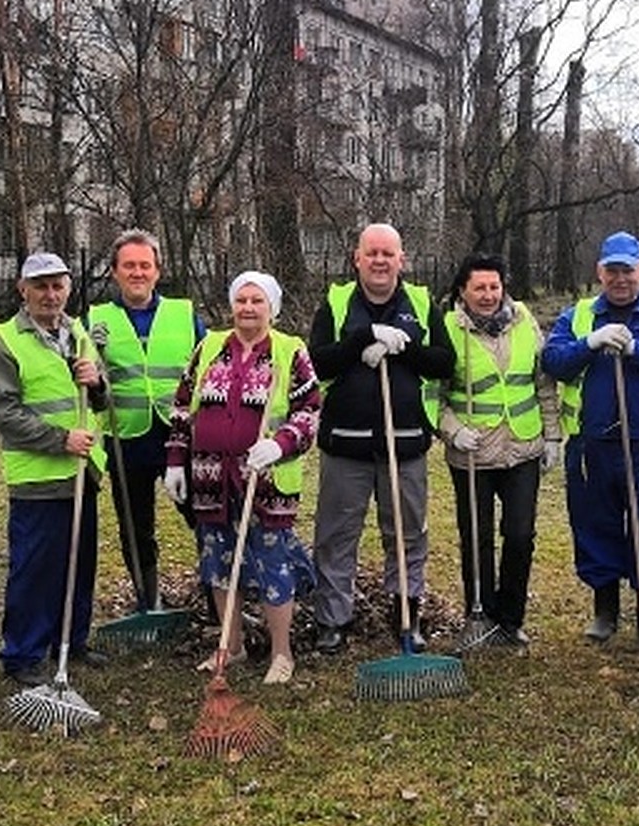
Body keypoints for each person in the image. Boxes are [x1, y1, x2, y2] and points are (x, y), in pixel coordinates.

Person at [164, 270, 319, 684]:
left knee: (272, 563)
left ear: (272, 307)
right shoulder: (210, 347)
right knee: (217, 562)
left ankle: (281, 653)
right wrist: (176, 460)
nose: (248, 308)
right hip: (212, 476)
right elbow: (183, 407)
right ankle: (229, 646)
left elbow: (309, 412)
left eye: (257, 301)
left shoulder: (290, 351)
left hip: (266, 479)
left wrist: (281, 444)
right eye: (241, 300)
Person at [542, 231, 639, 644]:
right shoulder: (576, 317)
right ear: (600, 272)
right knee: (595, 525)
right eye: (612, 270)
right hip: (592, 444)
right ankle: (605, 610)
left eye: (628, 270)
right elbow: (553, 361)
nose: (620, 278)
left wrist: (637, 351)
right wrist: (590, 343)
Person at [308, 222, 455, 654]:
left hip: (405, 441)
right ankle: (333, 620)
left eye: (387, 254)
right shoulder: (336, 304)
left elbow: (443, 363)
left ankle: (406, 616)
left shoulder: (422, 303)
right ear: (357, 258)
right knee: (336, 535)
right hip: (345, 444)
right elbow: (317, 363)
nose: (379, 261)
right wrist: (361, 340)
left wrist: (403, 347)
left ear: (401, 260)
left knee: (408, 534)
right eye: (371, 253)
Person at [0, 252, 108, 686]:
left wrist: (98, 383)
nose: (50, 295)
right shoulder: (4, 341)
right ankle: (23, 655)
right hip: (38, 477)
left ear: (68, 289)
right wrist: (60, 441)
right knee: (35, 568)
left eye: (57, 286)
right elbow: (6, 414)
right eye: (41, 286)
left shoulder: (78, 332)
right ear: (23, 290)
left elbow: (99, 401)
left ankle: (72, 640)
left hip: (83, 474)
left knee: (79, 563)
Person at [439, 252, 561, 646]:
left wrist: (553, 435)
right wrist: (452, 429)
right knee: (476, 536)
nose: (489, 295)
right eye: (480, 288)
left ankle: (511, 618)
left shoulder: (524, 321)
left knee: (521, 534)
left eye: (494, 286)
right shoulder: (448, 329)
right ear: (463, 291)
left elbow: (543, 383)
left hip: (522, 447)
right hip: (472, 452)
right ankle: (481, 614)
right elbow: (432, 395)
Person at [86, 229, 205, 610]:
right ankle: (148, 602)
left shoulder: (184, 314)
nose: (137, 273)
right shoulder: (96, 320)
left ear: (157, 270)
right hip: (128, 438)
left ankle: (221, 597)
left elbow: (206, 370)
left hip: (182, 437)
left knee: (203, 517)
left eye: (144, 265)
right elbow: (87, 385)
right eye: (129, 266)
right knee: (136, 527)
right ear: (115, 272)